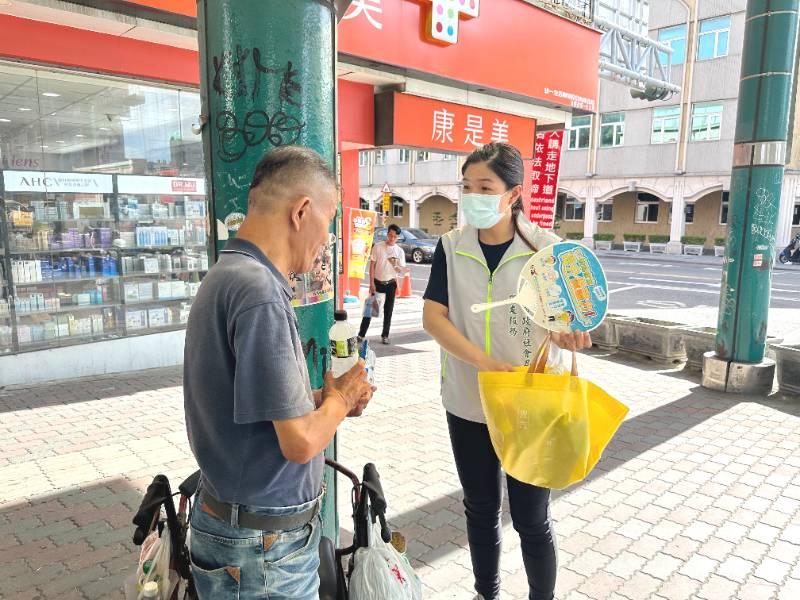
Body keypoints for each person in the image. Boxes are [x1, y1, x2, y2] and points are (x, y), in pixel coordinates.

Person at [183, 145, 375, 600]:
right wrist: (340, 399)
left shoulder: (228, 274)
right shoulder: (260, 293)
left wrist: (318, 400)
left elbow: (253, 407)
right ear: (302, 211)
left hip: (239, 530)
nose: (326, 239)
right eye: (327, 222)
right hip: (263, 552)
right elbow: (300, 442)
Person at [422, 143, 592, 600]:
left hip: (530, 405)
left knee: (531, 517)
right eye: (466, 186)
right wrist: (483, 364)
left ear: (513, 193)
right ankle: (487, 593)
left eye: (485, 187)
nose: (472, 195)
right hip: (468, 401)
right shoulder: (451, 247)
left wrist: (567, 333)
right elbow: (433, 317)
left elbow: (565, 321)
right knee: (479, 508)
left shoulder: (547, 249)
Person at [358, 223, 406, 344]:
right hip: (377, 282)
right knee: (370, 309)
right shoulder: (378, 247)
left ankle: (385, 335)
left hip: (391, 283)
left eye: (395, 237)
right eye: (390, 235)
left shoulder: (399, 251)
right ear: (387, 234)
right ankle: (361, 334)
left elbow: (400, 270)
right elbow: (372, 265)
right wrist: (371, 283)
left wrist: (395, 264)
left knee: (388, 311)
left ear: (398, 237)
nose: (392, 238)